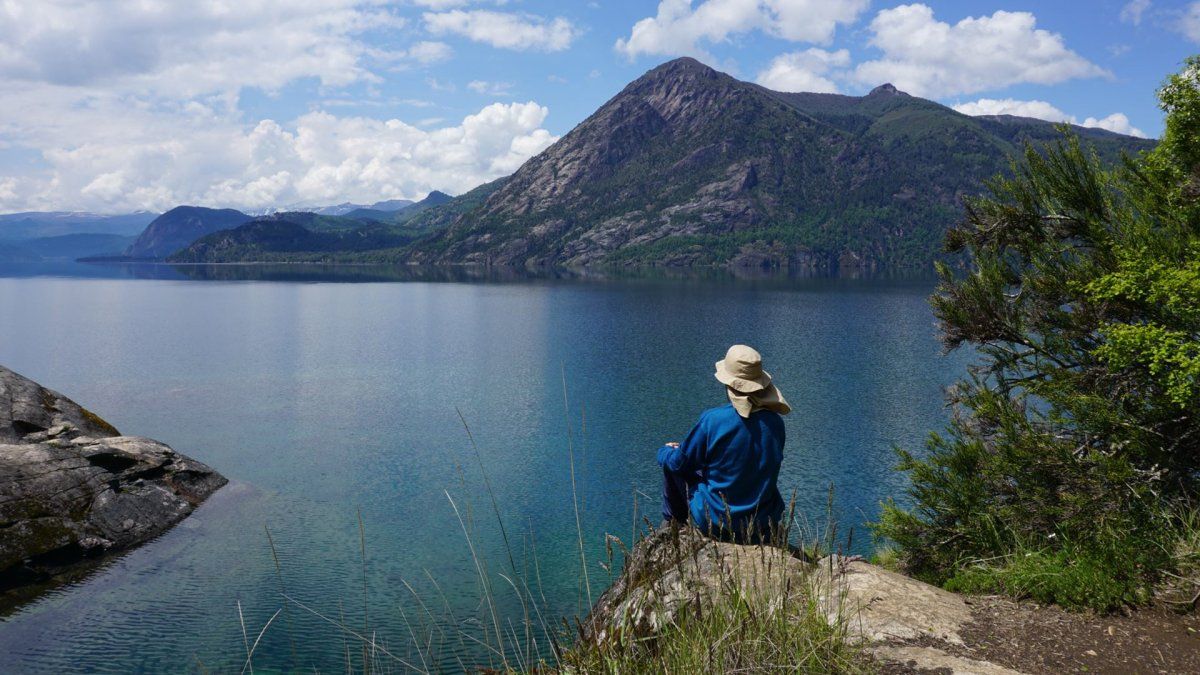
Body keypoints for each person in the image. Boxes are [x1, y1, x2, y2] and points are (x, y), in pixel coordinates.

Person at [657, 344, 791, 544]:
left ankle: (673, 527)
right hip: (761, 523)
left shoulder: (713, 420)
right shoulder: (775, 423)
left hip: (719, 523)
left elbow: (679, 463)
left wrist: (665, 451)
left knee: (673, 465)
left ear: (728, 383)